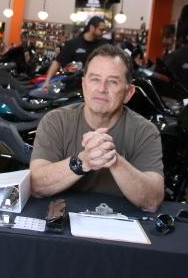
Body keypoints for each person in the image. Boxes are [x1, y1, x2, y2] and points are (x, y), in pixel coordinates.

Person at [30, 44, 164, 212]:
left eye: (113, 82)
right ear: (84, 85)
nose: (101, 89)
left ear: (128, 93)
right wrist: (83, 161)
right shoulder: (56, 121)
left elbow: (152, 201)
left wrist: (112, 159)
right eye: (95, 79)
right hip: (63, 221)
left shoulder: (145, 131)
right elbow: (36, 185)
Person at [41, 15, 108, 91]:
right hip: (73, 88)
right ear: (92, 27)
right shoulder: (73, 44)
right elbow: (57, 62)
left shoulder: (104, 44)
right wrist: (47, 81)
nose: (103, 33)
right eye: (101, 30)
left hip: (95, 87)